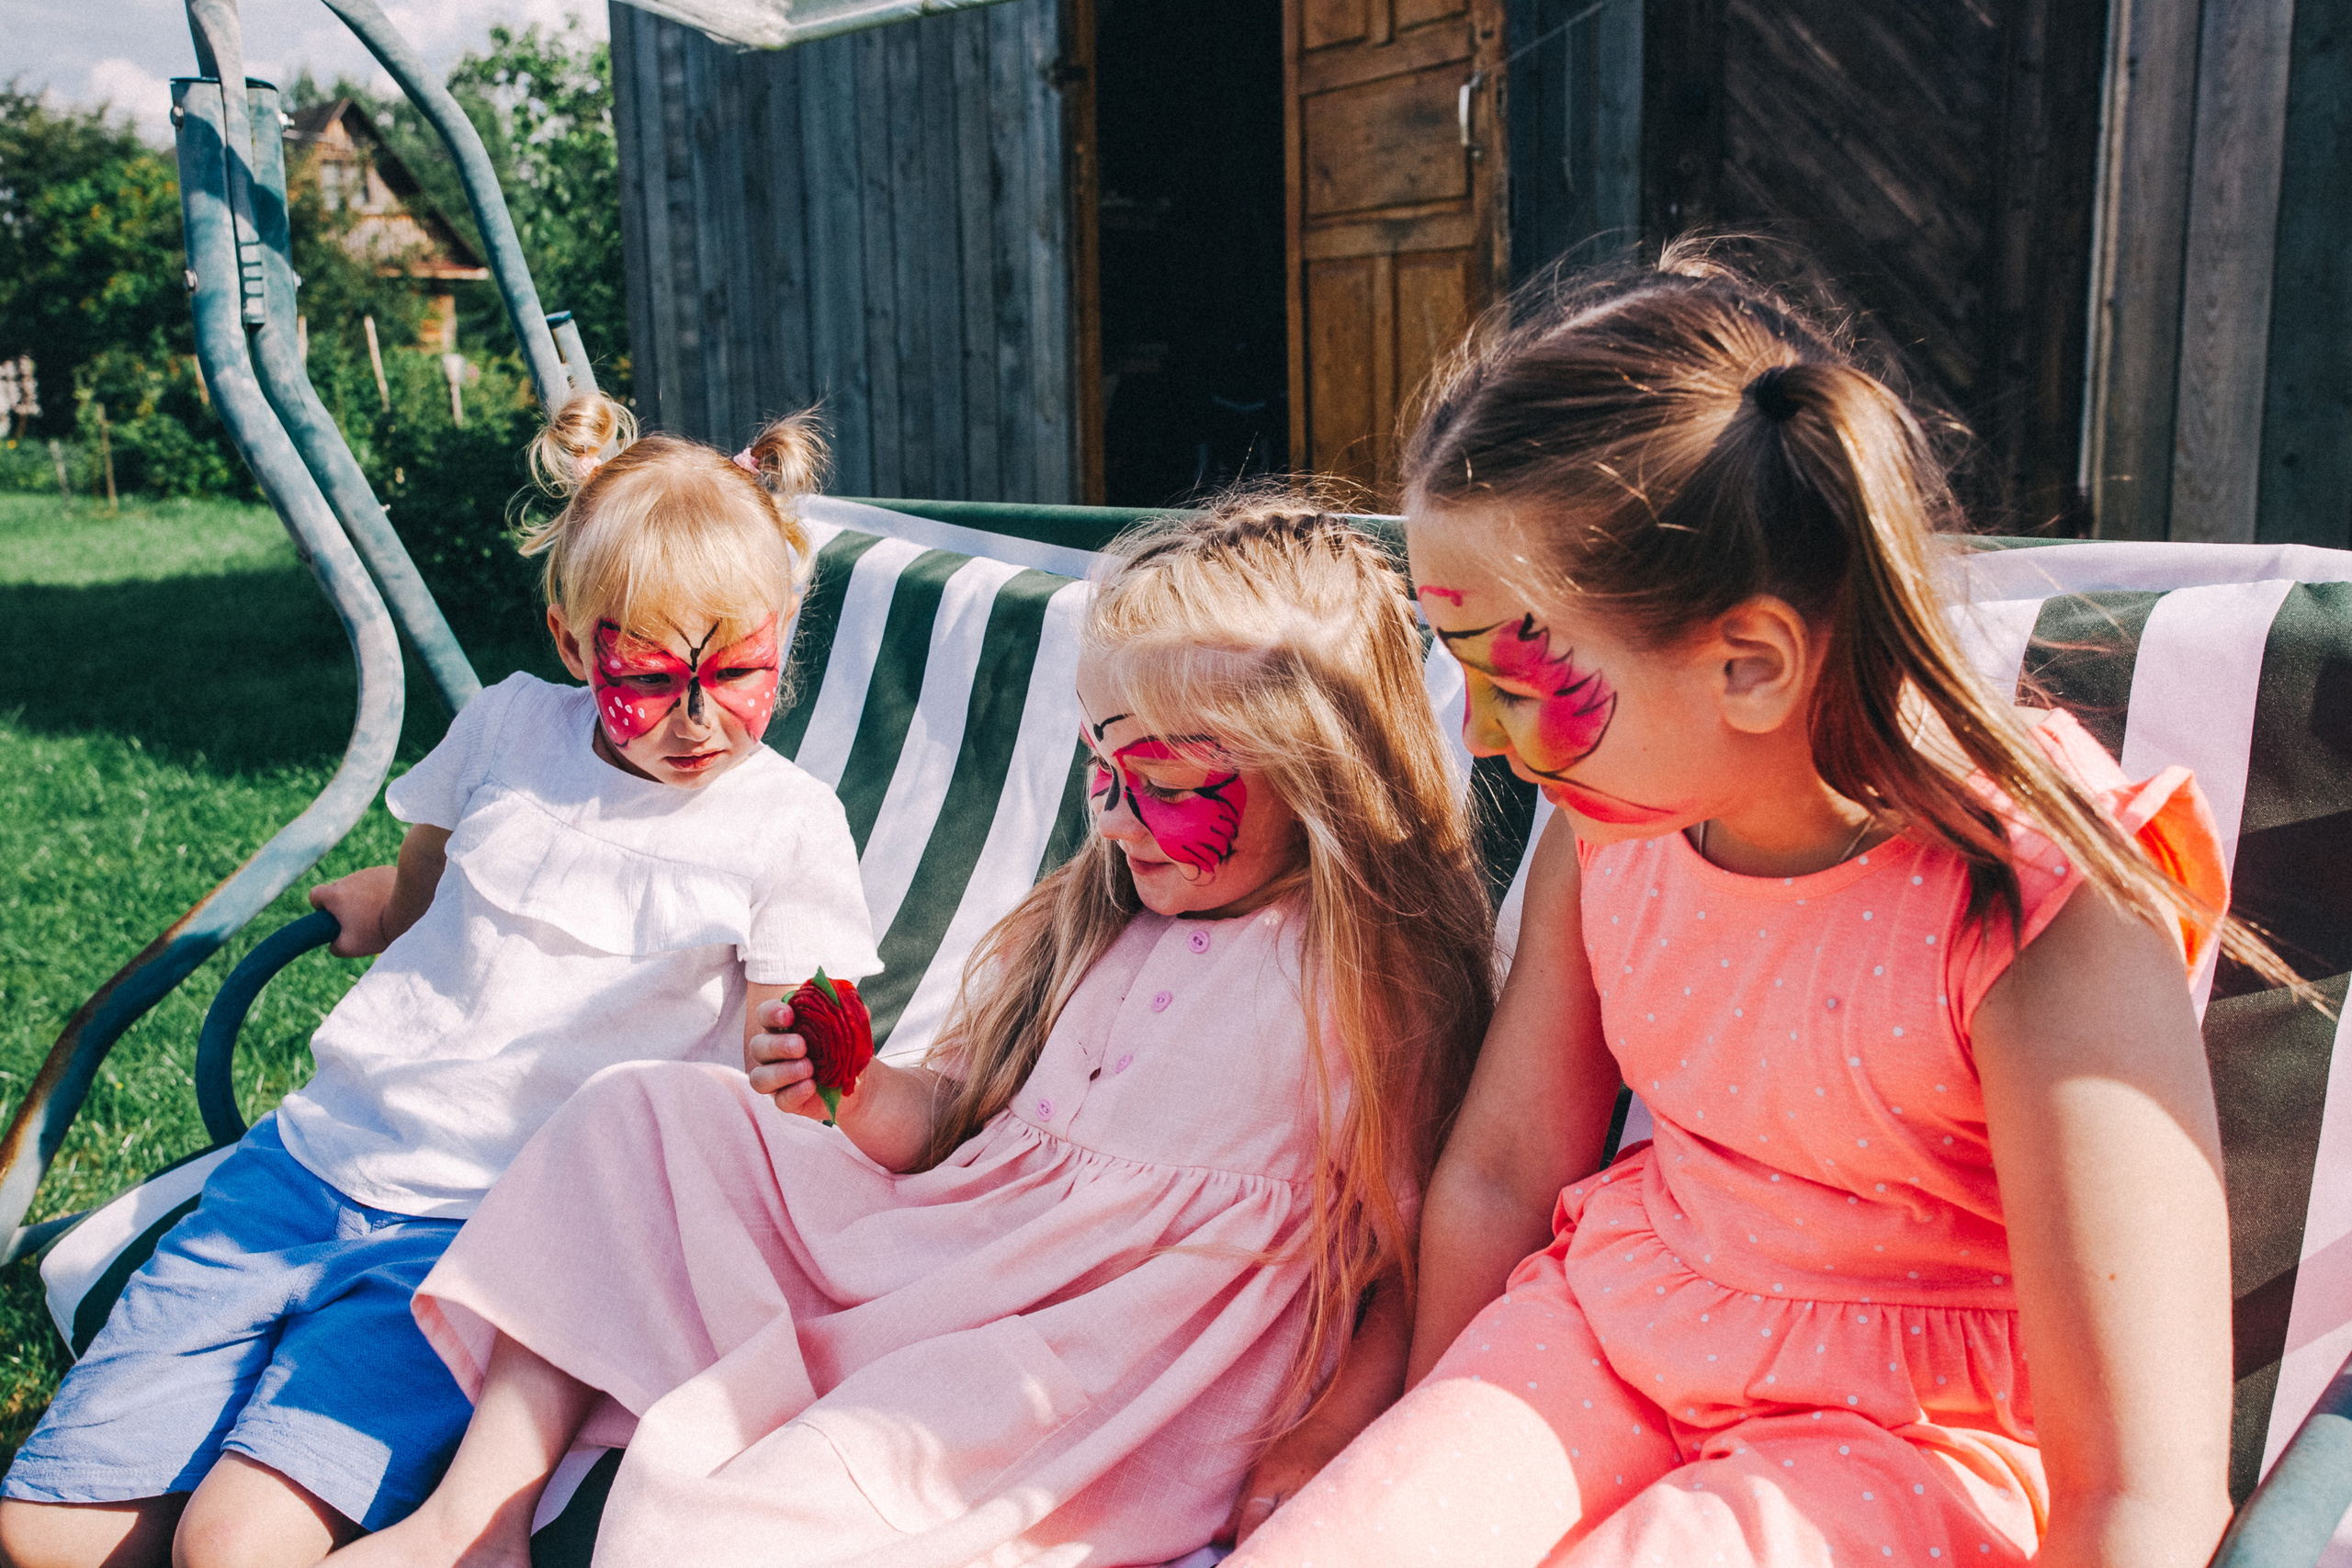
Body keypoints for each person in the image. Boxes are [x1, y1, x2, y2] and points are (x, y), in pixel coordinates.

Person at [1225, 245, 2292, 1568]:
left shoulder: (2031, 899)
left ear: (1751, 664)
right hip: (1615, 1327)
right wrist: (1404, 1451)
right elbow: (1504, 1168)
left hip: (1903, 1432)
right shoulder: (1615, 821)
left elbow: (2139, 1483)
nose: (1485, 740)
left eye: (1515, 681)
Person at [323, 502, 1497, 1568]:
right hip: (944, 1247)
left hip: (1083, 1368)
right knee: (638, 1114)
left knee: (726, 1524)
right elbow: (952, 1127)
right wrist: (852, 1084)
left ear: (1324, 771)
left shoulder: (1375, 977)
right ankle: (476, 1520)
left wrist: (1331, 1434)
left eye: (1168, 782)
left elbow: (1399, 1260)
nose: (1117, 821)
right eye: (1101, 769)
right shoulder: (1102, 913)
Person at [0, 395, 881, 1568]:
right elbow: (431, 869)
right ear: (572, 642)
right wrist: (387, 906)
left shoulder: (786, 825)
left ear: (781, 638)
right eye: (648, 674)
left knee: (234, 1546)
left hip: (478, 1243)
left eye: (738, 672)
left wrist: (805, 1055)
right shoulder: (508, 726)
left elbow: (797, 1033)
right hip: (300, 1169)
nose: (696, 717)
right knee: (43, 1535)